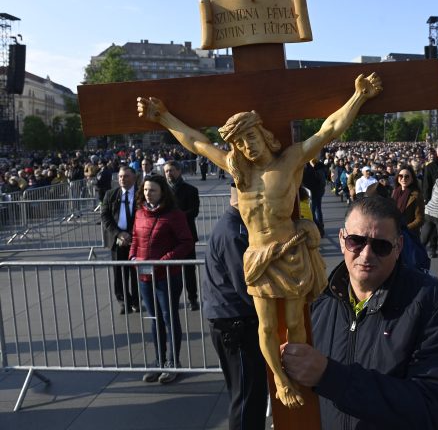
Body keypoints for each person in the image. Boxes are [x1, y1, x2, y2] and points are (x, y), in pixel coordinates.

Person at [138, 72, 381, 408]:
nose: (247, 146)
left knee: (296, 322)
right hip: (258, 257)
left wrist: (359, 97)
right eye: (239, 143)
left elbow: (328, 130)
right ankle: (281, 382)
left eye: (251, 137)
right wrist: (162, 116)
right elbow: (196, 142)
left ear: (264, 135)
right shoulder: (240, 172)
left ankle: (299, 373)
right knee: (266, 327)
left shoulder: (291, 160)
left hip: (291, 254)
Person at [281, 196, 438, 429]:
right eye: (356, 242)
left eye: (381, 246)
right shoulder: (317, 300)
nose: (366, 255)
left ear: (398, 247)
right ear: (341, 240)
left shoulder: (435, 303)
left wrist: (330, 376)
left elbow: (431, 403)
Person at [203, 184, 267, 430]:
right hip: (236, 324)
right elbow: (247, 285)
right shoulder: (234, 232)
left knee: (246, 394)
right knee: (247, 399)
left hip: (233, 321)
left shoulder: (234, 227)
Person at [130, 174, 194, 383]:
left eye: (153, 190)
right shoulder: (140, 213)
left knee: (169, 318)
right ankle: (159, 361)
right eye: (146, 190)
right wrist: (132, 256)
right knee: (154, 319)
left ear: (162, 192)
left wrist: (165, 260)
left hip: (167, 276)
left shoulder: (174, 215)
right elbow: (135, 238)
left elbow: (186, 242)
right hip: (145, 276)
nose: (148, 193)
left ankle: (173, 362)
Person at [100, 165, 139, 315]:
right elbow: (105, 216)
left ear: (134, 178)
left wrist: (130, 234)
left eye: (126, 176)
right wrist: (119, 234)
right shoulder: (110, 194)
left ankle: (136, 300)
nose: (123, 179)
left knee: (136, 272)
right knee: (119, 274)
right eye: (121, 176)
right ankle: (123, 301)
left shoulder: (141, 194)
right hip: (117, 241)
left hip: (136, 239)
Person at [163, 160, 201, 311]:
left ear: (179, 171)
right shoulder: (162, 190)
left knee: (189, 269)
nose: (169, 174)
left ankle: (193, 298)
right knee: (170, 269)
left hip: (187, 236)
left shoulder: (191, 190)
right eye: (166, 171)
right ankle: (173, 298)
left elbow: (194, 212)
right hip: (167, 236)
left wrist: (175, 219)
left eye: (171, 170)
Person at [391, 165, 424, 237]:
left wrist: (405, 229)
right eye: (401, 176)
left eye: (407, 176)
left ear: (412, 179)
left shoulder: (416, 195)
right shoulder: (394, 192)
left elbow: (420, 219)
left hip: (408, 234)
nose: (403, 178)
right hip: (393, 232)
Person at [302, 156, 328, 236]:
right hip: (311, 191)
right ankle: (319, 226)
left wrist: (314, 167)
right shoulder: (306, 165)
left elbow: (321, 179)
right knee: (315, 209)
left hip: (315, 191)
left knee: (314, 210)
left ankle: (319, 227)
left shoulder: (318, 166)